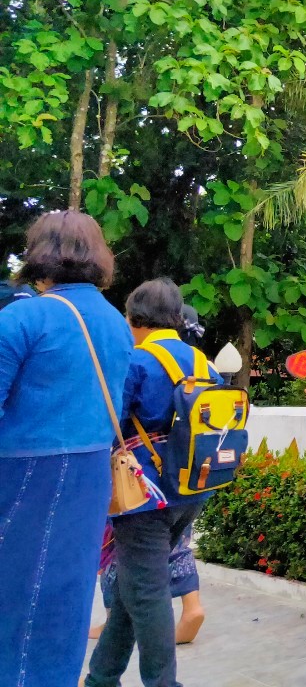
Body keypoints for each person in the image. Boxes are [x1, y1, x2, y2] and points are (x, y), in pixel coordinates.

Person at [0, 211, 133, 687]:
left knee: (15, 598)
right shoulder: (116, 322)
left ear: (39, 253)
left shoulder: (24, 317)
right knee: (67, 595)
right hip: (90, 472)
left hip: (24, 475)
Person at [84, 277, 213, 687]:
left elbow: (110, 423)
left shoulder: (137, 361)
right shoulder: (202, 363)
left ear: (135, 318)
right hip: (192, 489)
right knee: (134, 583)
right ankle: (102, 677)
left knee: (147, 592)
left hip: (143, 493)